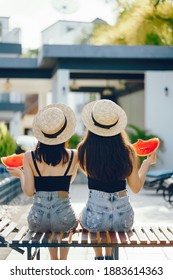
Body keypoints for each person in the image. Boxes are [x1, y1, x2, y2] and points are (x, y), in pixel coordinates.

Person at [77, 99, 156, 260]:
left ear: (92, 125)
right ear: (117, 125)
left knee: (85, 218)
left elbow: (89, 173)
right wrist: (146, 163)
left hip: (95, 219)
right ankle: (110, 257)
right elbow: (136, 188)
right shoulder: (128, 151)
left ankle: (99, 258)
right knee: (110, 226)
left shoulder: (83, 150)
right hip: (124, 220)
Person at [7, 104, 79, 260]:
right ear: (64, 132)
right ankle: (63, 263)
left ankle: (53, 262)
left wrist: (20, 173)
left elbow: (28, 191)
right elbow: (68, 183)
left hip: (37, 219)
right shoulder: (74, 155)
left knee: (49, 229)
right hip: (64, 216)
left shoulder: (29, 157)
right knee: (64, 227)